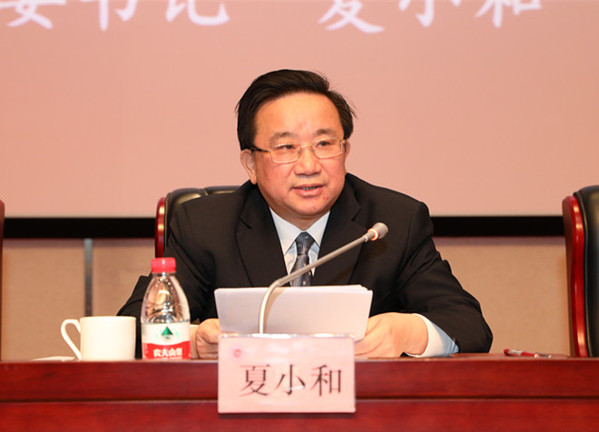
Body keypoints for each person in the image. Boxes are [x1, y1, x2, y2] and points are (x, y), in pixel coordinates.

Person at [118, 69, 492, 359]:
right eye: (286, 147)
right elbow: (132, 327)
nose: (309, 165)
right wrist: (192, 339)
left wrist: (407, 332)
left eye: (324, 143)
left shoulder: (392, 221)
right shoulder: (204, 227)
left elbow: (468, 325)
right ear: (250, 163)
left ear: (345, 150)